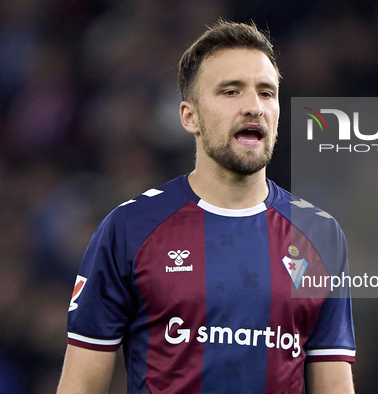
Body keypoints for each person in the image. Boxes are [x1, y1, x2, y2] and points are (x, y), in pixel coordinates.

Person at [57, 20, 355, 394]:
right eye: (231, 92)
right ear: (189, 116)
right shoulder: (130, 228)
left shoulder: (319, 235)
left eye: (266, 93)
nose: (253, 107)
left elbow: (334, 385)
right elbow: (81, 384)